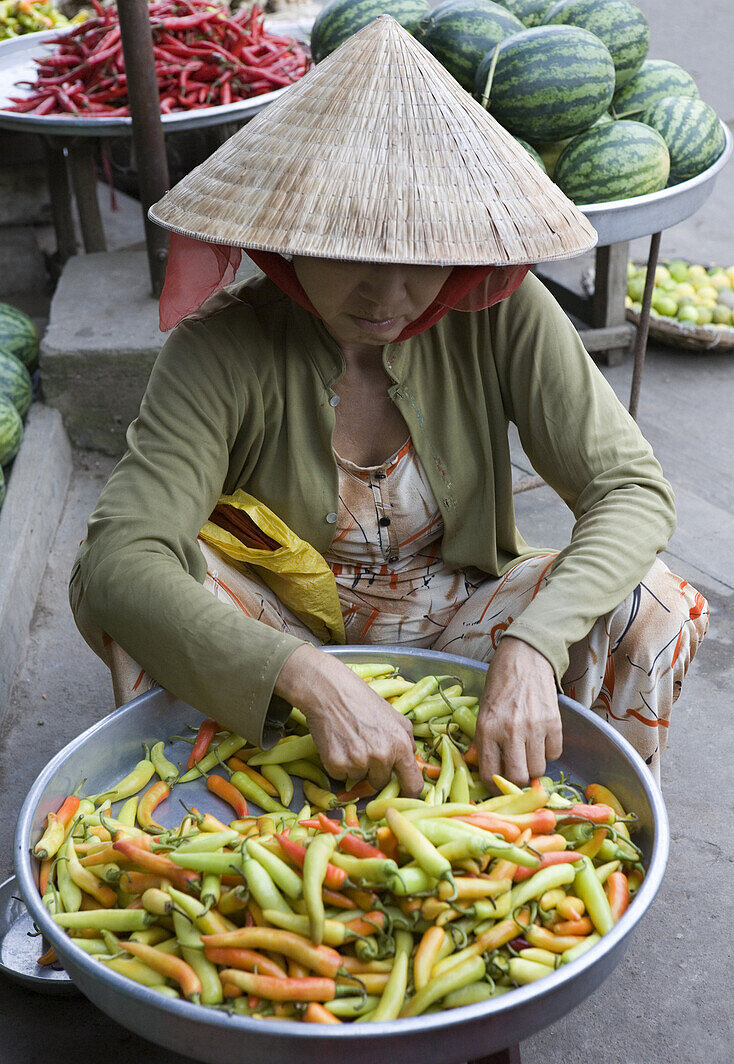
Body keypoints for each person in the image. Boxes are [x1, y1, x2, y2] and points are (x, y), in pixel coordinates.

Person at [70, 17, 707, 796]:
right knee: (155, 592)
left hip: (463, 619)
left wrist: (534, 643)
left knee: (653, 603)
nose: (388, 294)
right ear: (287, 235)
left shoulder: (501, 312)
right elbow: (117, 558)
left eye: (421, 259)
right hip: (283, 628)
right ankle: (234, 812)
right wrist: (302, 673)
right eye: (351, 253)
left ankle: (565, 821)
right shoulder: (221, 348)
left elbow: (630, 491)